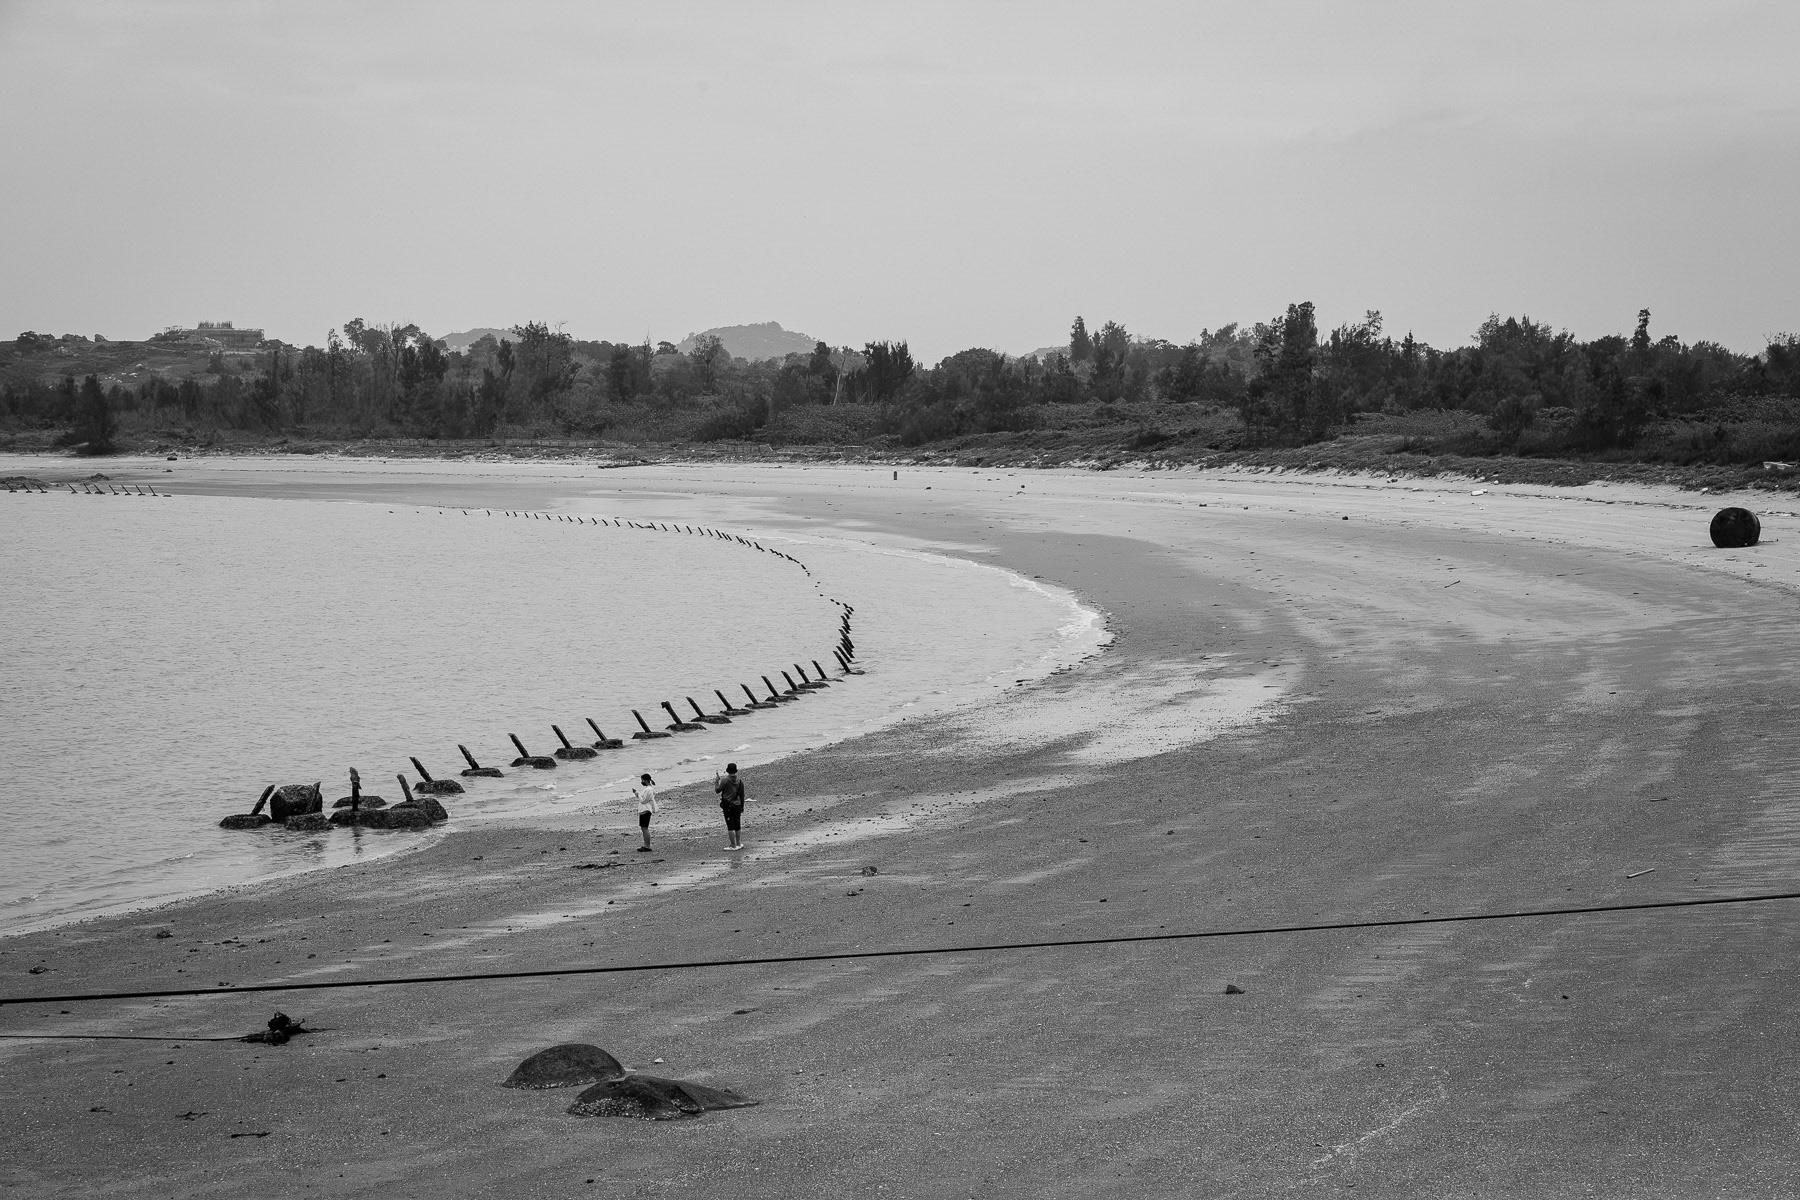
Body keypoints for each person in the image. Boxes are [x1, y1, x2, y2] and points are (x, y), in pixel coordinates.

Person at [714, 762, 746, 850]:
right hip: (737, 805)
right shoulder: (740, 781)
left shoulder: (725, 780)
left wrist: (716, 781)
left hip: (728, 805)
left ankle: (733, 845)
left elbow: (717, 790)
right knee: (737, 824)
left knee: (730, 825)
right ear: (736, 771)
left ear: (727, 770)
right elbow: (742, 796)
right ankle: (738, 843)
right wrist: (742, 807)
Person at [632, 773, 658, 851]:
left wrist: (637, 794)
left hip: (646, 810)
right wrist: (637, 794)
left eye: (642, 780)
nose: (642, 781)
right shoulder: (648, 789)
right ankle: (646, 845)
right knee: (643, 828)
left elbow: (643, 800)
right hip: (644, 810)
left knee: (645, 828)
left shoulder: (648, 790)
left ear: (646, 780)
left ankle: (647, 846)